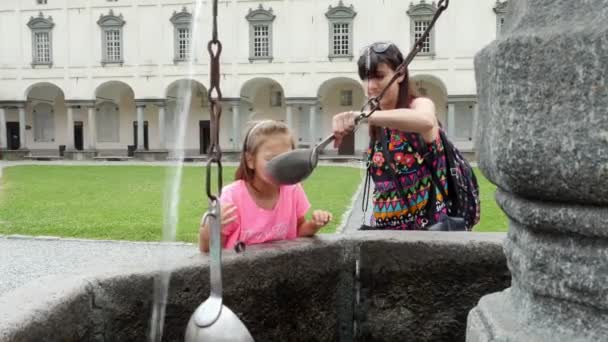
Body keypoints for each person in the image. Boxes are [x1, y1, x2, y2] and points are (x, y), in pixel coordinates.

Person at [332, 42, 448, 230]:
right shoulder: (378, 123)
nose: (370, 86)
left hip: (425, 234)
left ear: (400, 74)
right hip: (383, 233)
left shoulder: (419, 105)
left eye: (379, 76)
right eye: (365, 78)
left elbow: (426, 120)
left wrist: (362, 116)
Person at [199, 120, 333, 253]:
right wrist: (210, 229)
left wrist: (314, 225)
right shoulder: (231, 198)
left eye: (286, 158)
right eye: (271, 159)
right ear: (250, 160)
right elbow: (209, 251)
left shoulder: (292, 190)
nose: (281, 166)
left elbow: (298, 230)